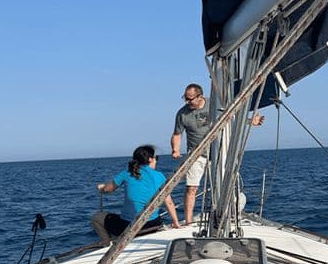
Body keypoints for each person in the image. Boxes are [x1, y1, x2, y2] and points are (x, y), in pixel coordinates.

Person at [171, 83, 263, 224]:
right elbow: (177, 134)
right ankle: (188, 221)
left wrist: (251, 121)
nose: (187, 102)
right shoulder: (182, 113)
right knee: (191, 188)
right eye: (185, 98)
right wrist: (175, 149)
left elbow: (233, 117)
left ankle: (228, 214)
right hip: (196, 154)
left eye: (190, 99)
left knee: (224, 185)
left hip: (219, 152)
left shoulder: (215, 105)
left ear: (200, 96)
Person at [91, 145, 179, 243]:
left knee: (97, 218)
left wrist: (102, 188)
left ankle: (107, 245)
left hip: (130, 227)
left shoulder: (126, 174)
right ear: (150, 159)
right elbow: (169, 202)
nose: (156, 161)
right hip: (154, 225)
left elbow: (107, 189)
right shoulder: (160, 176)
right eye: (156, 158)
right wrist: (175, 223)